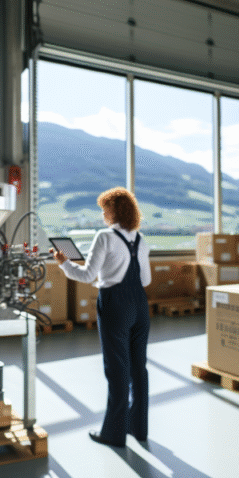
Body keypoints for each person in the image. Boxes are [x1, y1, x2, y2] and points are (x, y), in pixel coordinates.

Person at [52, 187, 151, 448]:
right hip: (140, 304)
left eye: (105, 208)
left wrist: (64, 262)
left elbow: (87, 275)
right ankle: (138, 428)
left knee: (117, 368)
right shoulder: (140, 239)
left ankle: (114, 434)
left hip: (115, 304)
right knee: (138, 367)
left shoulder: (104, 237)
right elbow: (146, 279)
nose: (103, 213)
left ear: (115, 210)